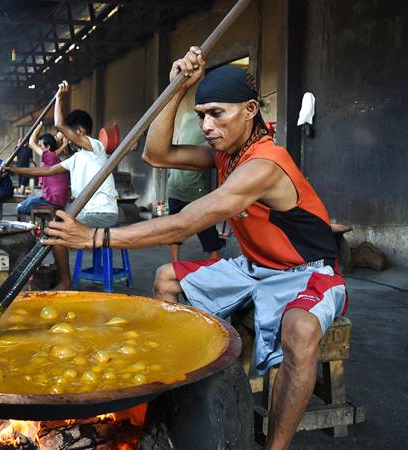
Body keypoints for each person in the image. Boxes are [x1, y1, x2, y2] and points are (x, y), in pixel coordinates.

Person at [43, 47, 346, 450]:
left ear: (250, 109)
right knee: (167, 278)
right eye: (201, 114)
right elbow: (156, 154)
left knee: (300, 330)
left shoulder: (265, 164)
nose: (205, 124)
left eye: (216, 113)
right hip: (254, 267)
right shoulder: (227, 154)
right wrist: (175, 90)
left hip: (308, 273)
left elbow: (188, 223)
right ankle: (181, 392)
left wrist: (96, 237)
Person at [7, 80, 118, 290]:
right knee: (54, 229)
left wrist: (59, 98)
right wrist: (15, 170)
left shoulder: (95, 146)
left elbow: (59, 125)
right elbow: (47, 171)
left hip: (102, 212)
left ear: (81, 131)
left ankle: (65, 282)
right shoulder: (77, 158)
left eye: (69, 132)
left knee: (55, 233)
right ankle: (62, 277)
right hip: (87, 212)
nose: (63, 136)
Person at [166, 111, 224, 262]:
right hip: (191, 188)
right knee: (208, 236)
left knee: (174, 232)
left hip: (174, 185)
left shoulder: (187, 118)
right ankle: (215, 266)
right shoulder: (209, 123)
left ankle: (175, 265)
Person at [14, 122, 70, 215]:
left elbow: (32, 142)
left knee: (20, 207)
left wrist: (39, 126)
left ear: (48, 147)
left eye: (40, 146)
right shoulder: (54, 157)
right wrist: (64, 143)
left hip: (53, 201)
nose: (39, 148)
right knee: (29, 200)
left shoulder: (50, 156)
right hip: (57, 200)